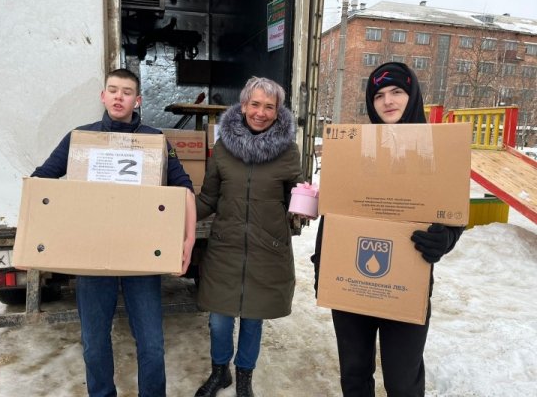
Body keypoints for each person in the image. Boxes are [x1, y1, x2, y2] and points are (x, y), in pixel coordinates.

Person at [32, 68, 196, 397]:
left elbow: (185, 189)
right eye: (113, 90)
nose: (119, 97)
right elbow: (40, 181)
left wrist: (188, 243)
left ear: (138, 100)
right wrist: (34, 241)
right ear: (103, 96)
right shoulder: (79, 139)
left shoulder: (158, 142)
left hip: (140, 255)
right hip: (94, 255)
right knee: (94, 345)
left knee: (152, 345)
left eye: (126, 92)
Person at [311, 62, 465, 396]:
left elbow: (453, 214)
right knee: (354, 374)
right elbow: (336, 214)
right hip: (352, 276)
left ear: (412, 96)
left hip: (407, 280)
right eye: (378, 95)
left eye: (397, 91)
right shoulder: (357, 149)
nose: (388, 101)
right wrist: (322, 265)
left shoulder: (436, 149)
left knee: (402, 379)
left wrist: (445, 238)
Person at [193, 77, 304, 397]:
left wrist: (307, 202)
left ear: (277, 111)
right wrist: (176, 214)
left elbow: (296, 193)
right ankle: (219, 372)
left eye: (269, 106)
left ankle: (244, 378)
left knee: (253, 320)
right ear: (243, 106)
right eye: (255, 104)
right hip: (226, 246)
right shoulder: (224, 147)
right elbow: (208, 198)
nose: (261, 112)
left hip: (267, 248)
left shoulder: (287, 150)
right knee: (219, 321)